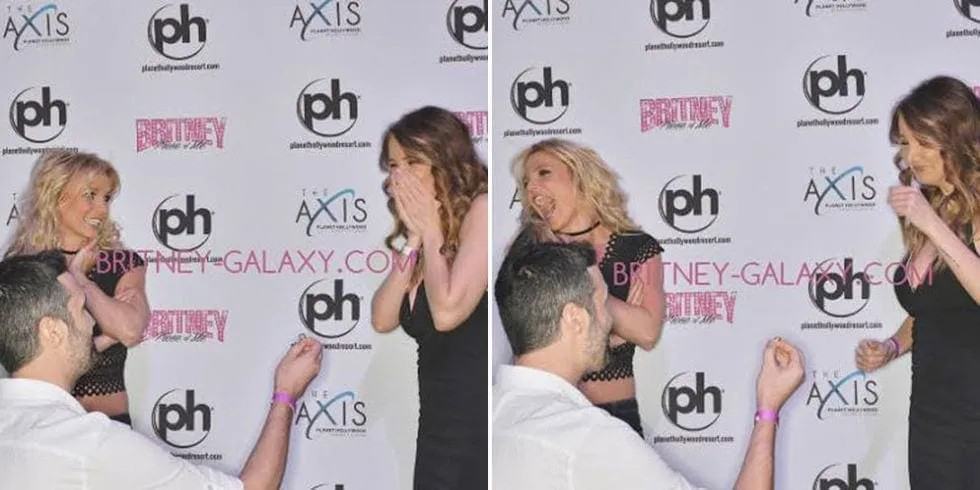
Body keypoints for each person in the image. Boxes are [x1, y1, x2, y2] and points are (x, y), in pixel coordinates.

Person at [494, 241, 805, 489]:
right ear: (575, 319)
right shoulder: (590, 438)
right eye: (603, 303)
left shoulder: (489, 412)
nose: (609, 319)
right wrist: (768, 409)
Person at [0, 251, 323, 489]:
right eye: (81, 308)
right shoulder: (93, 444)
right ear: (52, 331)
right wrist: (286, 394)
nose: (90, 321)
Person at [853, 75, 980, 489]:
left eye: (923, 142)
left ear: (957, 136)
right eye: (905, 143)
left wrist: (931, 224)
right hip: (932, 413)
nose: (911, 156)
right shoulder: (937, 208)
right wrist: (892, 346)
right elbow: (938, 309)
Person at [508, 138, 665, 435]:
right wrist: (613, 321)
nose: (531, 188)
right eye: (526, 182)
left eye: (544, 173)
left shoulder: (637, 247)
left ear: (580, 176)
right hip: (544, 414)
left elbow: (646, 333)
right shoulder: (529, 248)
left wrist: (584, 288)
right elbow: (530, 339)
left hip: (615, 416)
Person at [369, 106, 488, 489]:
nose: (400, 175)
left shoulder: (482, 211)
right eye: (393, 165)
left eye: (413, 161)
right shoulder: (426, 238)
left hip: (479, 428)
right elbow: (383, 317)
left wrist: (431, 229)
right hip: (437, 428)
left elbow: (447, 312)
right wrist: (415, 238)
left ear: (444, 159)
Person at [4, 150, 149, 426]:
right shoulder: (24, 266)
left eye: (106, 198)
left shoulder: (121, 262)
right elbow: (25, 351)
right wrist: (107, 336)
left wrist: (80, 279)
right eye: (90, 195)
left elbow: (130, 331)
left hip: (109, 423)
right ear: (57, 196)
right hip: (40, 423)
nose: (102, 209)